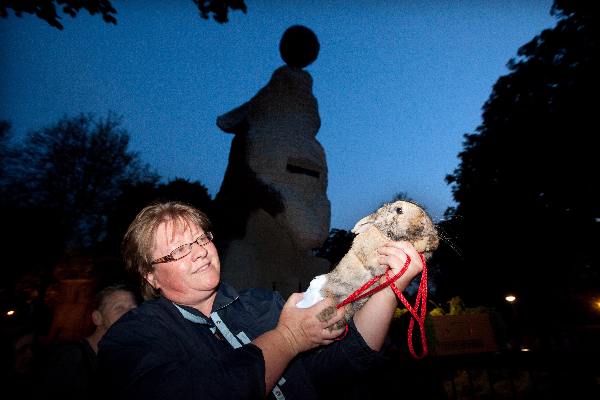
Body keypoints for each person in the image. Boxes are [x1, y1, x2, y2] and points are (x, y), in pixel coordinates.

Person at [97, 201, 424, 399]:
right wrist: (288, 338)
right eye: (179, 249)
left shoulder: (262, 305)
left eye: (201, 238)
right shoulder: (132, 338)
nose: (199, 251)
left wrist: (388, 285)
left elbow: (344, 360)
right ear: (150, 275)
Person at [40, 284, 137, 400]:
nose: (130, 314)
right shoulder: (72, 356)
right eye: (119, 308)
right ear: (97, 318)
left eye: (133, 309)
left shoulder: (123, 360)